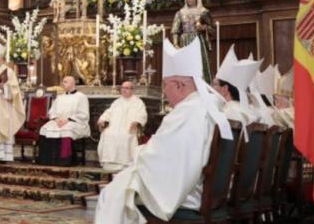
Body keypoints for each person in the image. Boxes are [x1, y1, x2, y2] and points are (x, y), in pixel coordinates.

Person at [95, 38, 233, 223]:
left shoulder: (188, 112)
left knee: (111, 196)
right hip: (201, 189)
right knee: (118, 190)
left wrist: (138, 153)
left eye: (165, 85)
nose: (164, 93)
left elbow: (163, 159)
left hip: (186, 197)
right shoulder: (205, 107)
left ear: (179, 85)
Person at [37, 76, 90, 166]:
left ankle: (64, 160)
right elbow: (52, 112)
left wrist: (68, 120)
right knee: (45, 128)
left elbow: (84, 114)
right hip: (59, 121)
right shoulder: (60, 97)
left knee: (67, 130)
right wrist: (56, 119)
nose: (63, 84)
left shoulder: (81, 97)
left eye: (65, 82)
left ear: (72, 83)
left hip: (75, 122)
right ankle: (48, 160)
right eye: (63, 82)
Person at [96, 81, 148, 171]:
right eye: (123, 88)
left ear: (132, 90)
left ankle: (125, 164)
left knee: (124, 135)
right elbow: (108, 112)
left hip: (129, 128)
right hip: (114, 126)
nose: (124, 90)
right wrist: (103, 119)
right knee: (107, 134)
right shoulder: (117, 102)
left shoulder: (138, 102)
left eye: (127, 88)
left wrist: (137, 122)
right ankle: (108, 162)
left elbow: (142, 114)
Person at [211, 46, 262, 129]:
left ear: (225, 89)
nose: (210, 88)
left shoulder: (228, 112)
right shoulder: (245, 110)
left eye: (214, 84)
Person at [172, 0, 214, 82]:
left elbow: (212, 28)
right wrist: (175, 44)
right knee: (187, 64)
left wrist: (203, 27)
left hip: (198, 40)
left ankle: (203, 84)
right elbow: (175, 30)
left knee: (199, 63)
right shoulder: (181, 13)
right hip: (185, 40)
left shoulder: (204, 12)